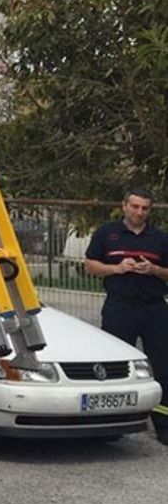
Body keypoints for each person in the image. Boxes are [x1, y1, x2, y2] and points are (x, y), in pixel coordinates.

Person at [84, 189, 168, 445]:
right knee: (114, 367)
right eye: (135, 206)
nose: (139, 212)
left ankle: (163, 425)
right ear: (124, 206)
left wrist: (154, 269)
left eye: (144, 208)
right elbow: (90, 265)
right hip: (119, 308)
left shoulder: (160, 238)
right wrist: (116, 268)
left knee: (163, 368)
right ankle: (112, 425)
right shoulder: (107, 233)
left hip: (154, 309)